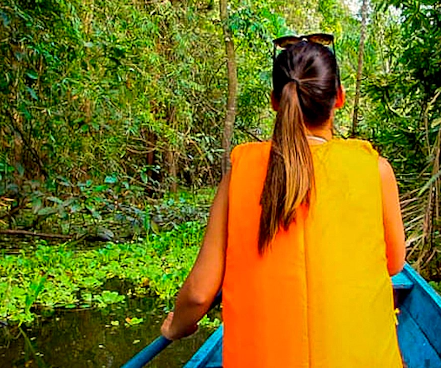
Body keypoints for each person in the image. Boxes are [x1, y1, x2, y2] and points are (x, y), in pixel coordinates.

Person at [160, 36, 406, 367]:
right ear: (339, 98)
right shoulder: (374, 170)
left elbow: (199, 294)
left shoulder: (241, 172)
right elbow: (393, 263)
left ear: (275, 101)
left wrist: (177, 326)